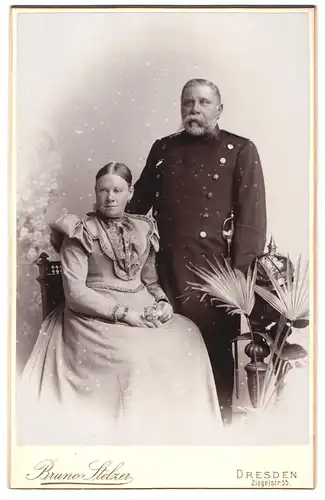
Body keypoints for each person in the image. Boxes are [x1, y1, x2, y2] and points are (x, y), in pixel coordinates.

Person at [17, 162, 224, 446]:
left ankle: (175, 433)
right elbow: (76, 294)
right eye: (103, 190)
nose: (110, 197)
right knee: (133, 356)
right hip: (91, 315)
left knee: (188, 335)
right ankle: (131, 437)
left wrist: (162, 302)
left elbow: (149, 280)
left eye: (117, 190)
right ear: (96, 192)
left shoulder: (143, 228)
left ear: (130, 192)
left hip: (141, 303)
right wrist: (125, 314)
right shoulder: (79, 232)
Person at [127, 78, 267, 423]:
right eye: (188, 102)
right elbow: (136, 209)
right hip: (167, 267)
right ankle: (171, 423)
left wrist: (239, 275)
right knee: (166, 345)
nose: (194, 110)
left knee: (213, 349)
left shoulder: (240, 149)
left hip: (215, 270)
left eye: (204, 103)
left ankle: (217, 424)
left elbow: (252, 218)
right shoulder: (163, 149)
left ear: (219, 110)